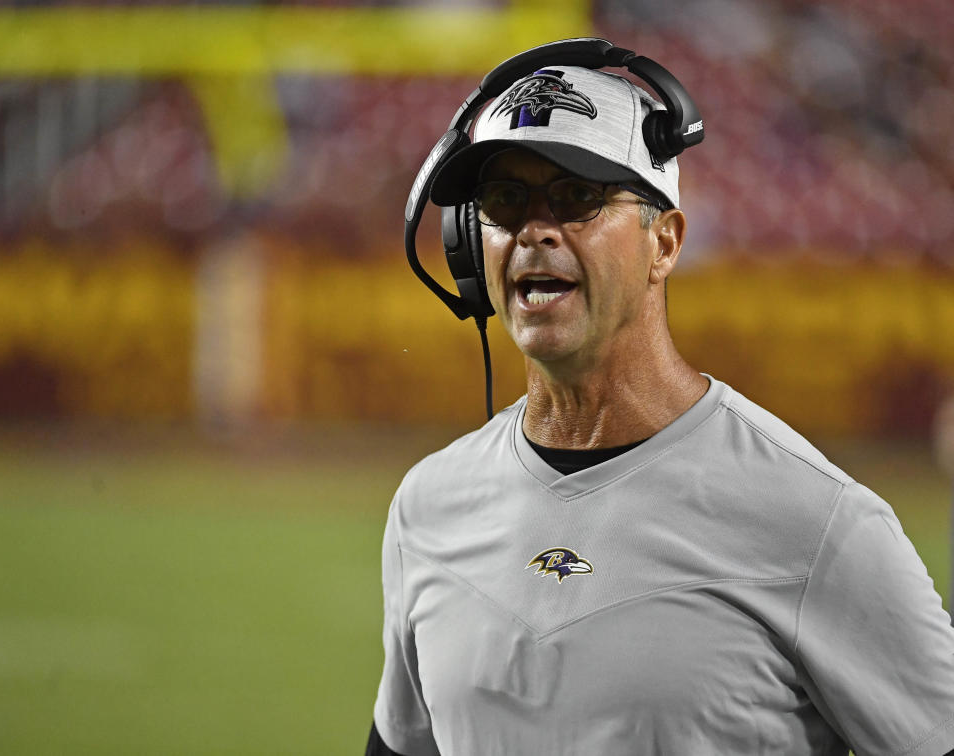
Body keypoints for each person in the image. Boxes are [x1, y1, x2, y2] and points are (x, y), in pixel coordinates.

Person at [366, 54, 954, 755]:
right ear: (470, 245)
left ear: (664, 242)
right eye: (502, 202)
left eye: (576, 197)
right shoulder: (428, 504)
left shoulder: (815, 521)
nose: (533, 229)